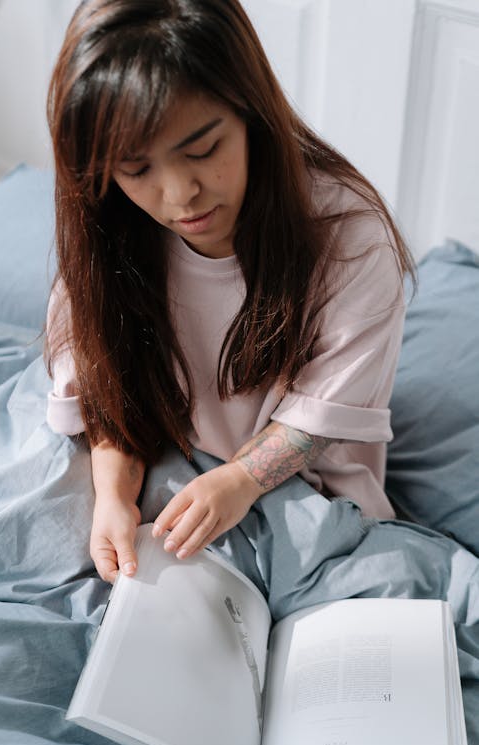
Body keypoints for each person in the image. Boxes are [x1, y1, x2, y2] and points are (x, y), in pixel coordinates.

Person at [45, 0, 415, 585]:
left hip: (295, 492)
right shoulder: (108, 231)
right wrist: (113, 494)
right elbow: (108, 387)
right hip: (157, 465)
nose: (180, 194)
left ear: (251, 113)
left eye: (202, 151)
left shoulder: (350, 237)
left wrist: (239, 481)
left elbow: (317, 421)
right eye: (136, 170)